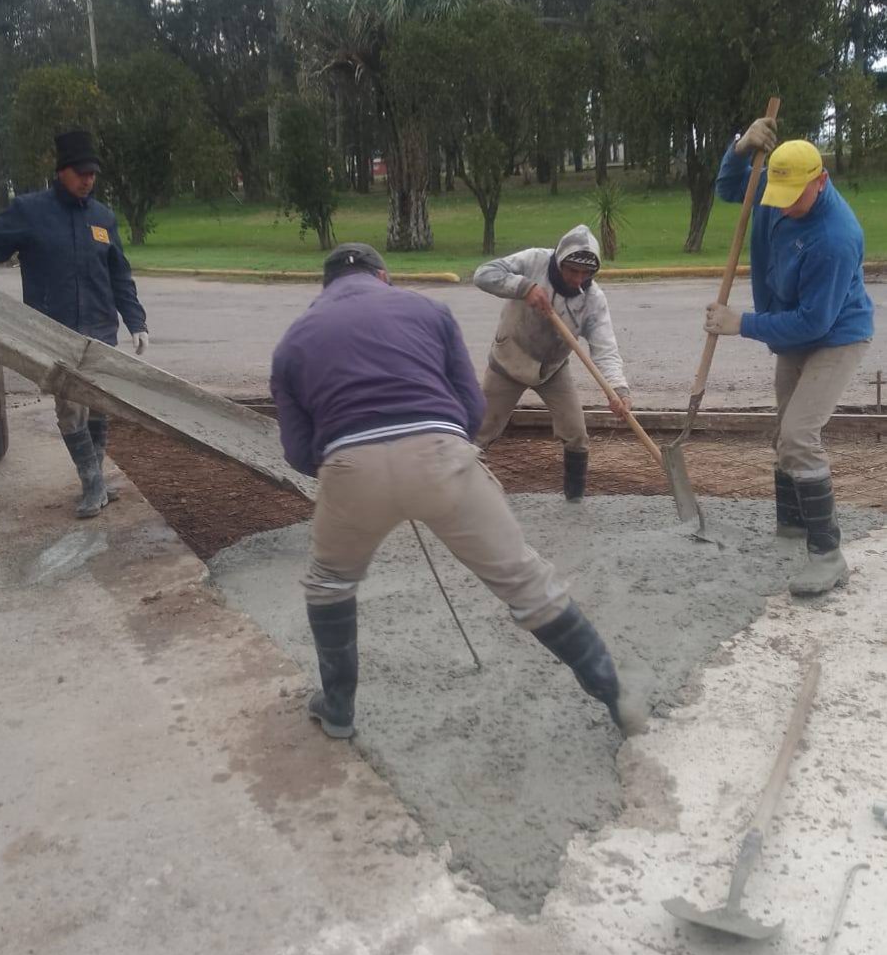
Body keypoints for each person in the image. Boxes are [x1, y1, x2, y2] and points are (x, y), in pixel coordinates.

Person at [270, 242, 647, 742]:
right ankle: (614, 694)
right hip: (441, 455)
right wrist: (429, 457)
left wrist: (364, 474)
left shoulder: (292, 342)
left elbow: (297, 452)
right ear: (385, 278)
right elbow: (470, 411)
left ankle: (338, 707)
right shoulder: (428, 309)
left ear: (326, 286)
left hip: (350, 466)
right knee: (527, 582)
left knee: (330, 584)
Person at [705, 118, 874, 596]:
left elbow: (813, 323)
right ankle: (792, 526)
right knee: (784, 430)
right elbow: (730, 189)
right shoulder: (781, 188)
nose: (782, 206)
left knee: (800, 434)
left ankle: (828, 554)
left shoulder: (835, 238)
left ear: (820, 182)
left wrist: (742, 324)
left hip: (835, 334)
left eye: (794, 198)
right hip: (797, 326)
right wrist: (739, 148)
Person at [0, 129, 150, 518]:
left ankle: (95, 479)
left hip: (100, 332)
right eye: (80, 172)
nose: (88, 180)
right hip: (54, 333)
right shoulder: (30, 212)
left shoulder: (102, 218)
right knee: (70, 410)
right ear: (61, 171)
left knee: (99, 407)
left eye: (92, 173)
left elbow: (119, 276)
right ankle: (92, 482)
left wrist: (136, 322)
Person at [473, 225, 632, 501]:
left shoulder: (593, 299)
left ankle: (574, 502)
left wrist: (618, 389)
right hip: (509, 362)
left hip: (553, 370)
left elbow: (605, 347)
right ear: (559, 261)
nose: (577, 279)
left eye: (586, 274)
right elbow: (483, 275)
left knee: (577, 436)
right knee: (480, 432)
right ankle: (462, 492)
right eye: (572, 271)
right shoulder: (533, 261)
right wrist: (524, 287)